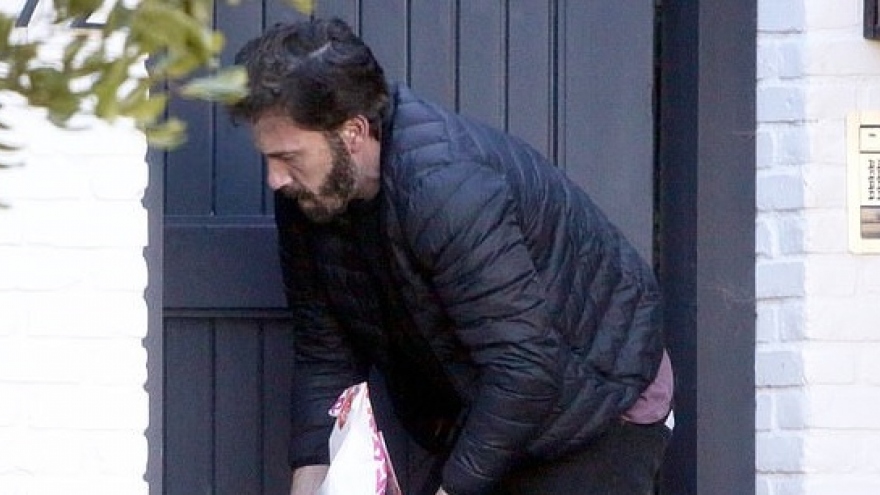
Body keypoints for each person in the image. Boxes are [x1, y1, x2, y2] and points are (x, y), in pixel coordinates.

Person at [227, 17, 674, 495]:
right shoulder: (309, 196)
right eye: (268, 157)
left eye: (289, 157)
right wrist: (311, 482)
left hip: (597, 404)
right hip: (488, 409)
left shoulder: (446, 189)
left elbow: (524, 368)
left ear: (353, 132)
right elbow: (325, 355)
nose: (275, 178)